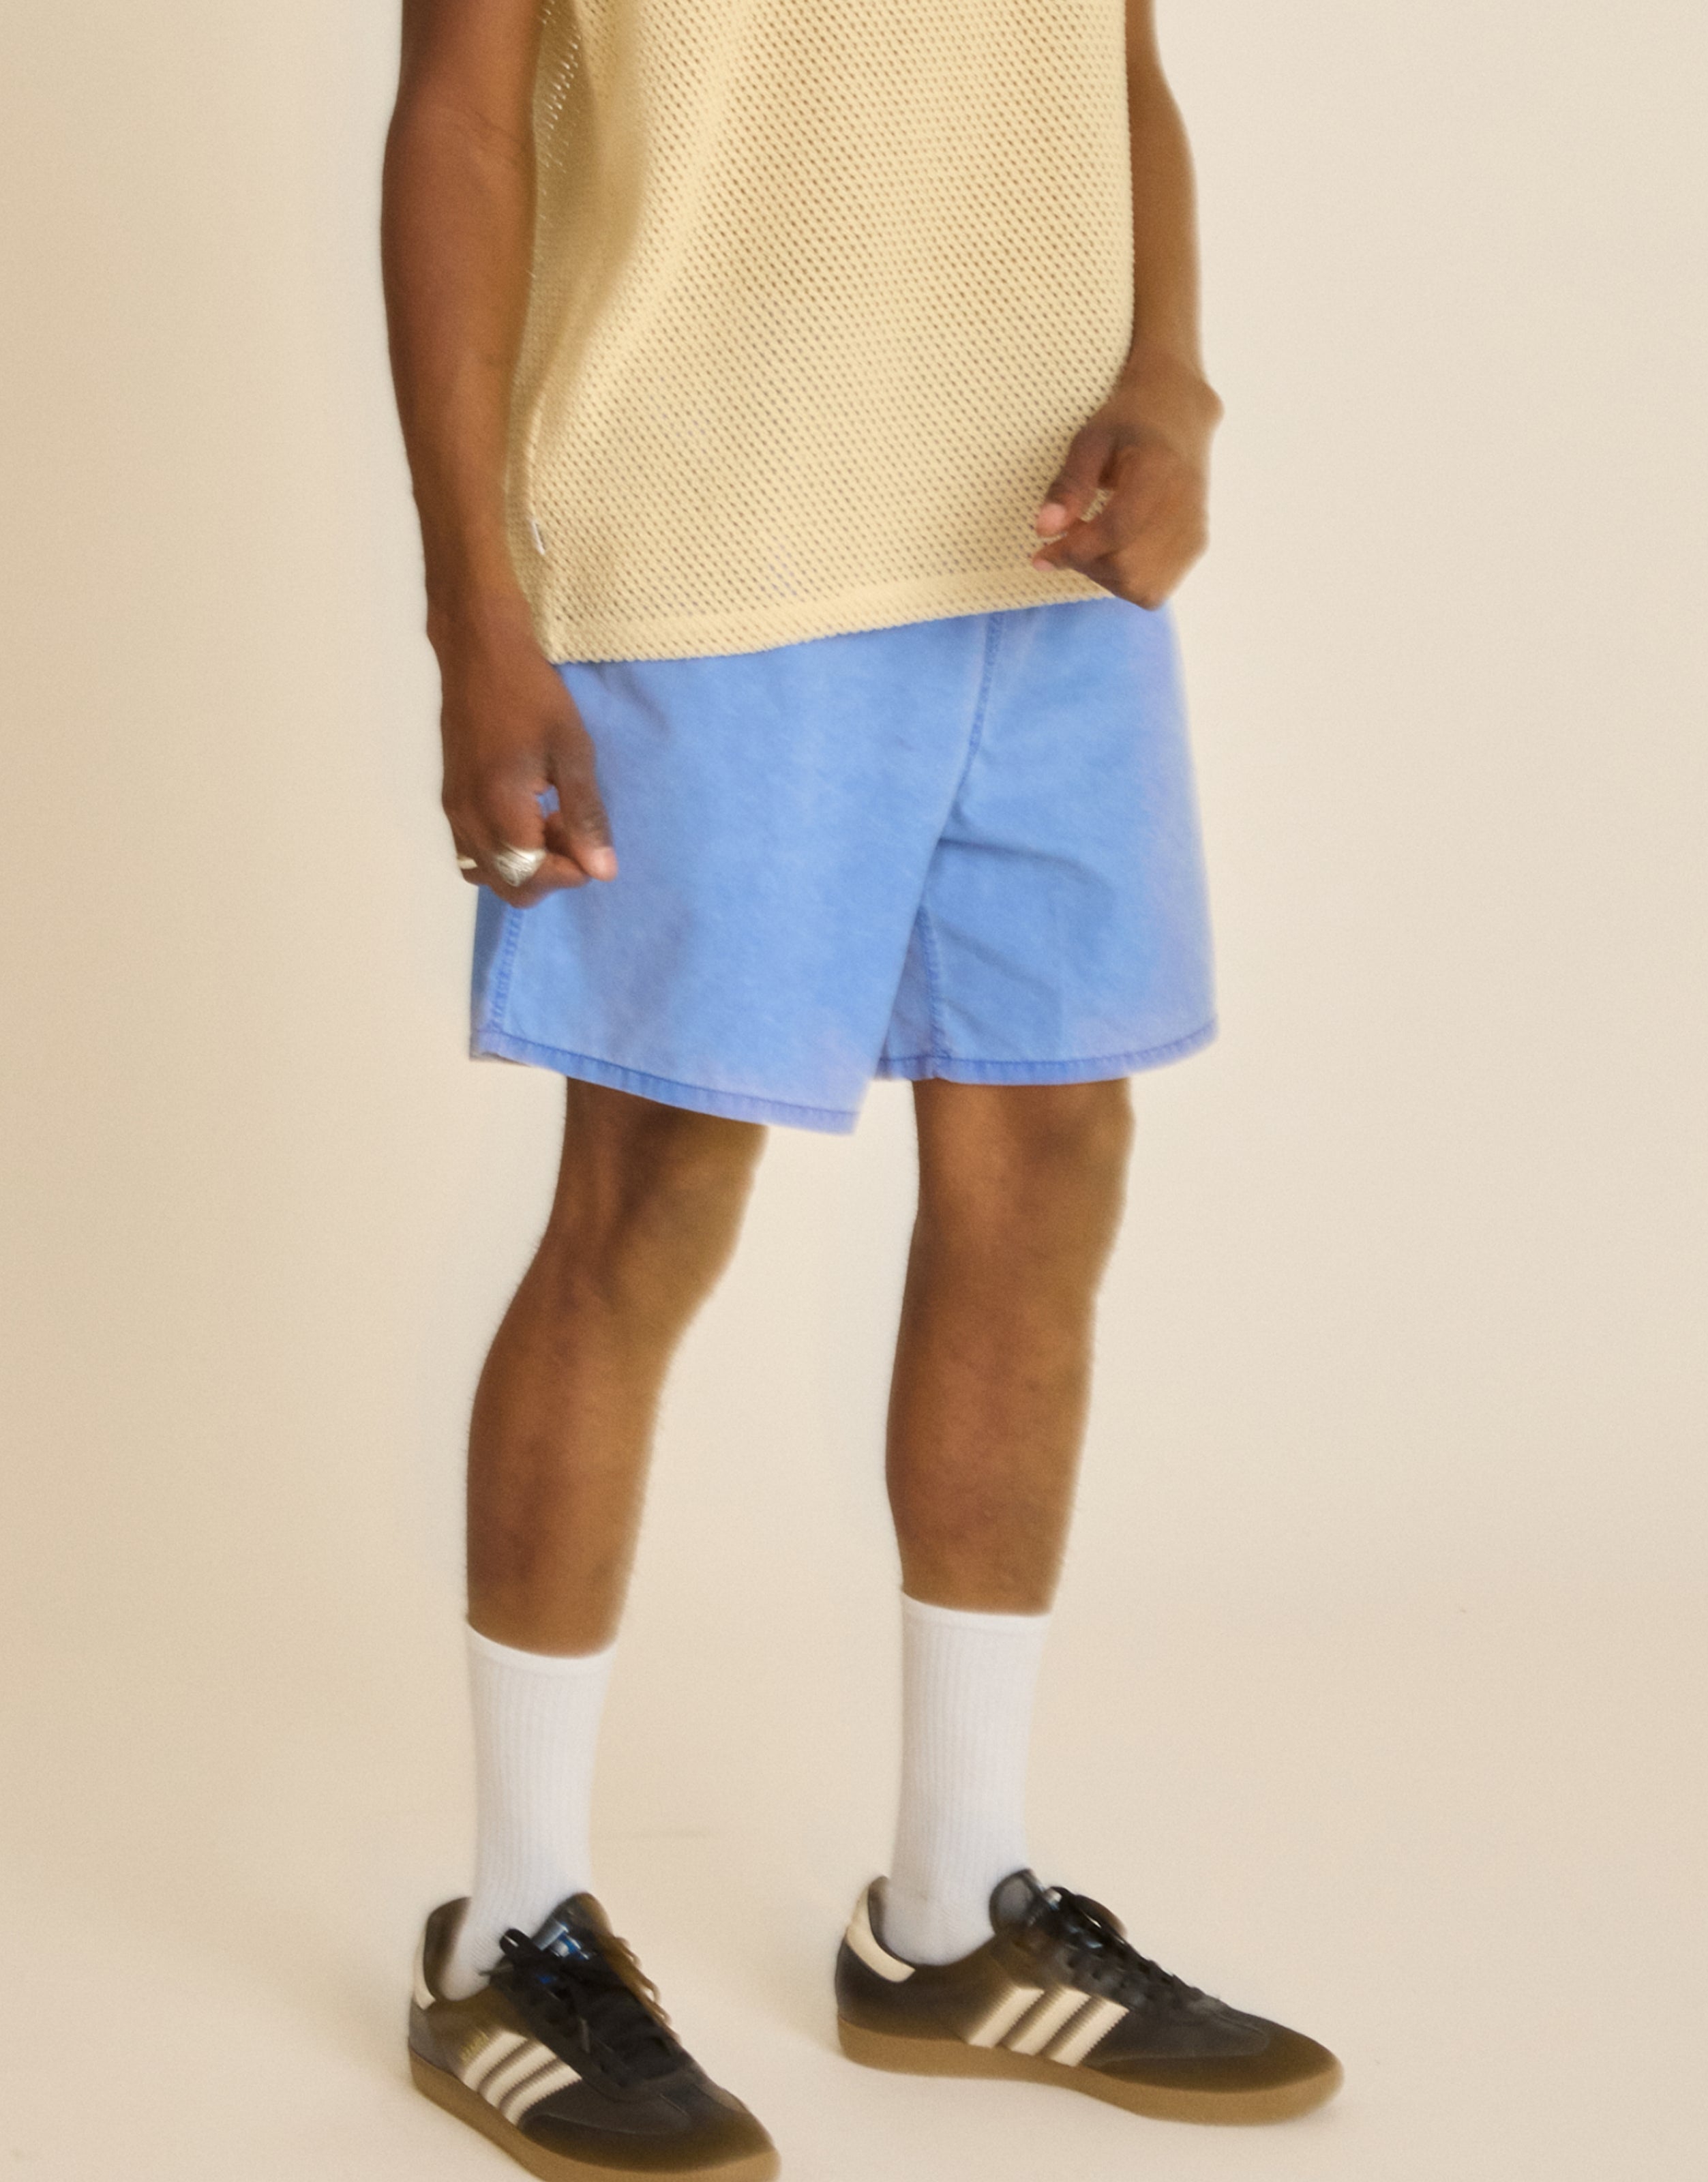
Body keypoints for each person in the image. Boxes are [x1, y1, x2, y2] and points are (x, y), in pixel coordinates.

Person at [382, 1, 1340, 2174]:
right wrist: (476, 620)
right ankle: (506, 1934)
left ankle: (953, 1915)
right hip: (708, 540)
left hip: (1041, 547)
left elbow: (1112, 61)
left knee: (1052, 1151)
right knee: (650, 1193)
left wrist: (1172, 376)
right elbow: (460, 118)